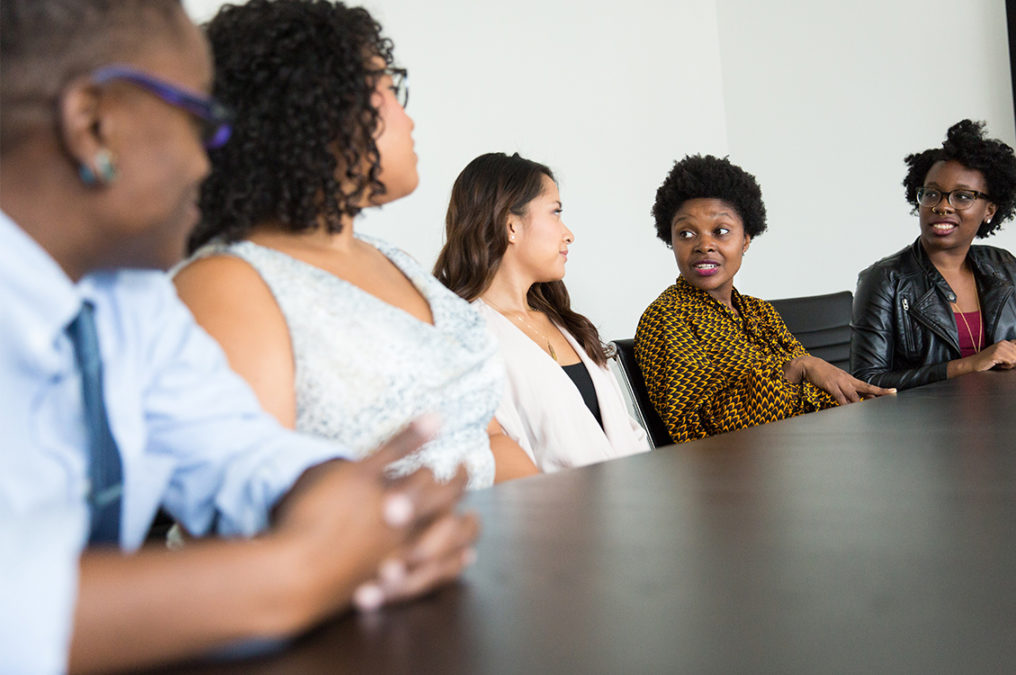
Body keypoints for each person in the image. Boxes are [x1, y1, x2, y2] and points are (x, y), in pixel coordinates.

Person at [0, 1, 478, 671]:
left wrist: (344, 502)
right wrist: (298, 572)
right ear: (91, 125)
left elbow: (241, 454)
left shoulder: (130, 298)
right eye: (201, 122)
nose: (212, 159)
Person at [172, 0, 538, 486]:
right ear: (317, 108)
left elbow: (484, 438)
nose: (408, 120)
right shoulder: (227, 284)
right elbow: (256, 520)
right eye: (389, 88)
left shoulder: (395, 261)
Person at [635, 154, 892, 443]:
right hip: (733, 476)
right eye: (686, 233)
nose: (704, 245)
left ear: (745, 240)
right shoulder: (665, 319)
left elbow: (812, 389)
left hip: (802, 450)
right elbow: (694, 431)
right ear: (671, 241)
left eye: (721, 231)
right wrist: (793, 370)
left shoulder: (759, 312)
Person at [433, 153, 650, 471]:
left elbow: (628, 434)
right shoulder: (464, 338)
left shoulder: (568, 324)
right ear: (511, 226)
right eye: (555, 212)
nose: (568, 234)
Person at [850, 120, 1016, 390]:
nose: (943, 206)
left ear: (989, 210)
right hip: (928, 427)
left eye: (962, 196)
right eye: (932, 194)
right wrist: (966, 366)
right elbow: (865, 383)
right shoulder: (885, 280)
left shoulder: (1003, 268)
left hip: (1010, 415)